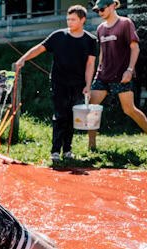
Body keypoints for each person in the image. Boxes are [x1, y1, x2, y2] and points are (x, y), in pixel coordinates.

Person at [15, 5, 98, 162]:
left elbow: (90, 65)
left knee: (72, 117)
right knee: (60, 116)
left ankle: (67, 150)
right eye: (68, 19)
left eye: (73, 19)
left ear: (83, 20)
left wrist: (88, 85)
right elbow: (39, 49)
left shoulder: (90, 40)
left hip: (79, 84)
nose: (69, 22)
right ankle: (55, 151)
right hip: (59, 83)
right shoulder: (58, 36)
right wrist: (23, 59)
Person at [87, 0, 147, 150]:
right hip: (103, 76)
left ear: (112, 6)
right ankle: (91, 145)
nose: (100, 12)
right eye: (97, 11)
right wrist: (97, 72)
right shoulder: (100, 28)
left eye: (102, 9)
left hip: (121, 75)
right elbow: (102, 52)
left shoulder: (125, 23)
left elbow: (135, 48)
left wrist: (129, 69)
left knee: (129, 109)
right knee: (92, 108)